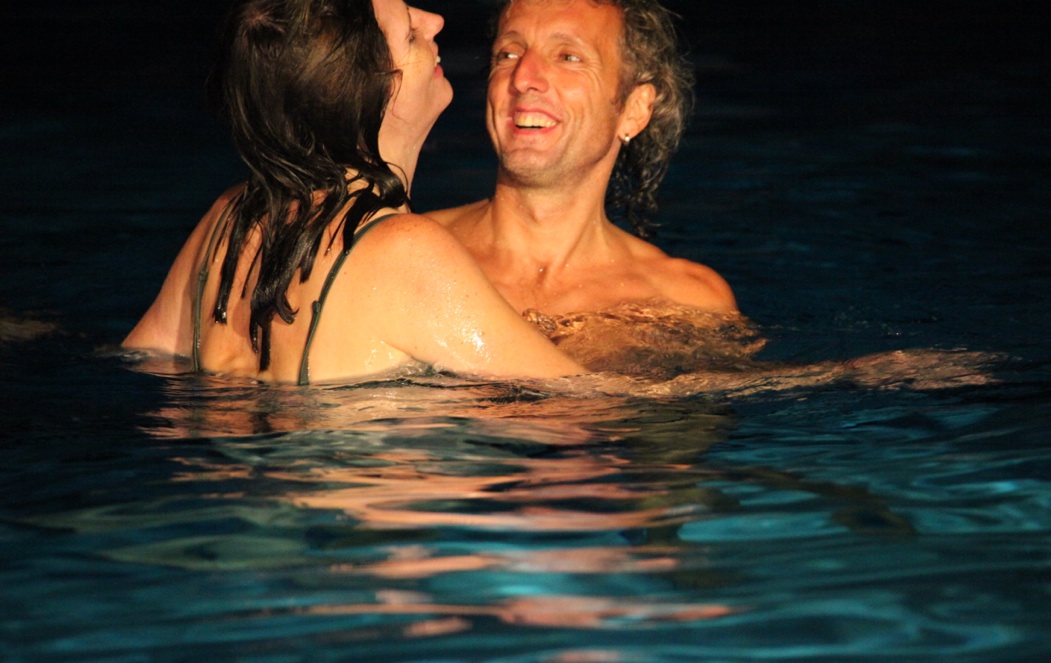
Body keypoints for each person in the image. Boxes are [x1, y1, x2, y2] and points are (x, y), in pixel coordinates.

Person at [123, 0, 584, 385]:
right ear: (370, 90)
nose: (435, 21)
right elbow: (580, 403)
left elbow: (141, 360)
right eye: (409, 33)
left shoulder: (230, 218)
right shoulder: (406, 250)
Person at [427, 0, 736, 322]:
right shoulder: (405, 255)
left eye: (568, 57)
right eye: (508, 54)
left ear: (634, 110)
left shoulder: (685, 304)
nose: (523, 78)